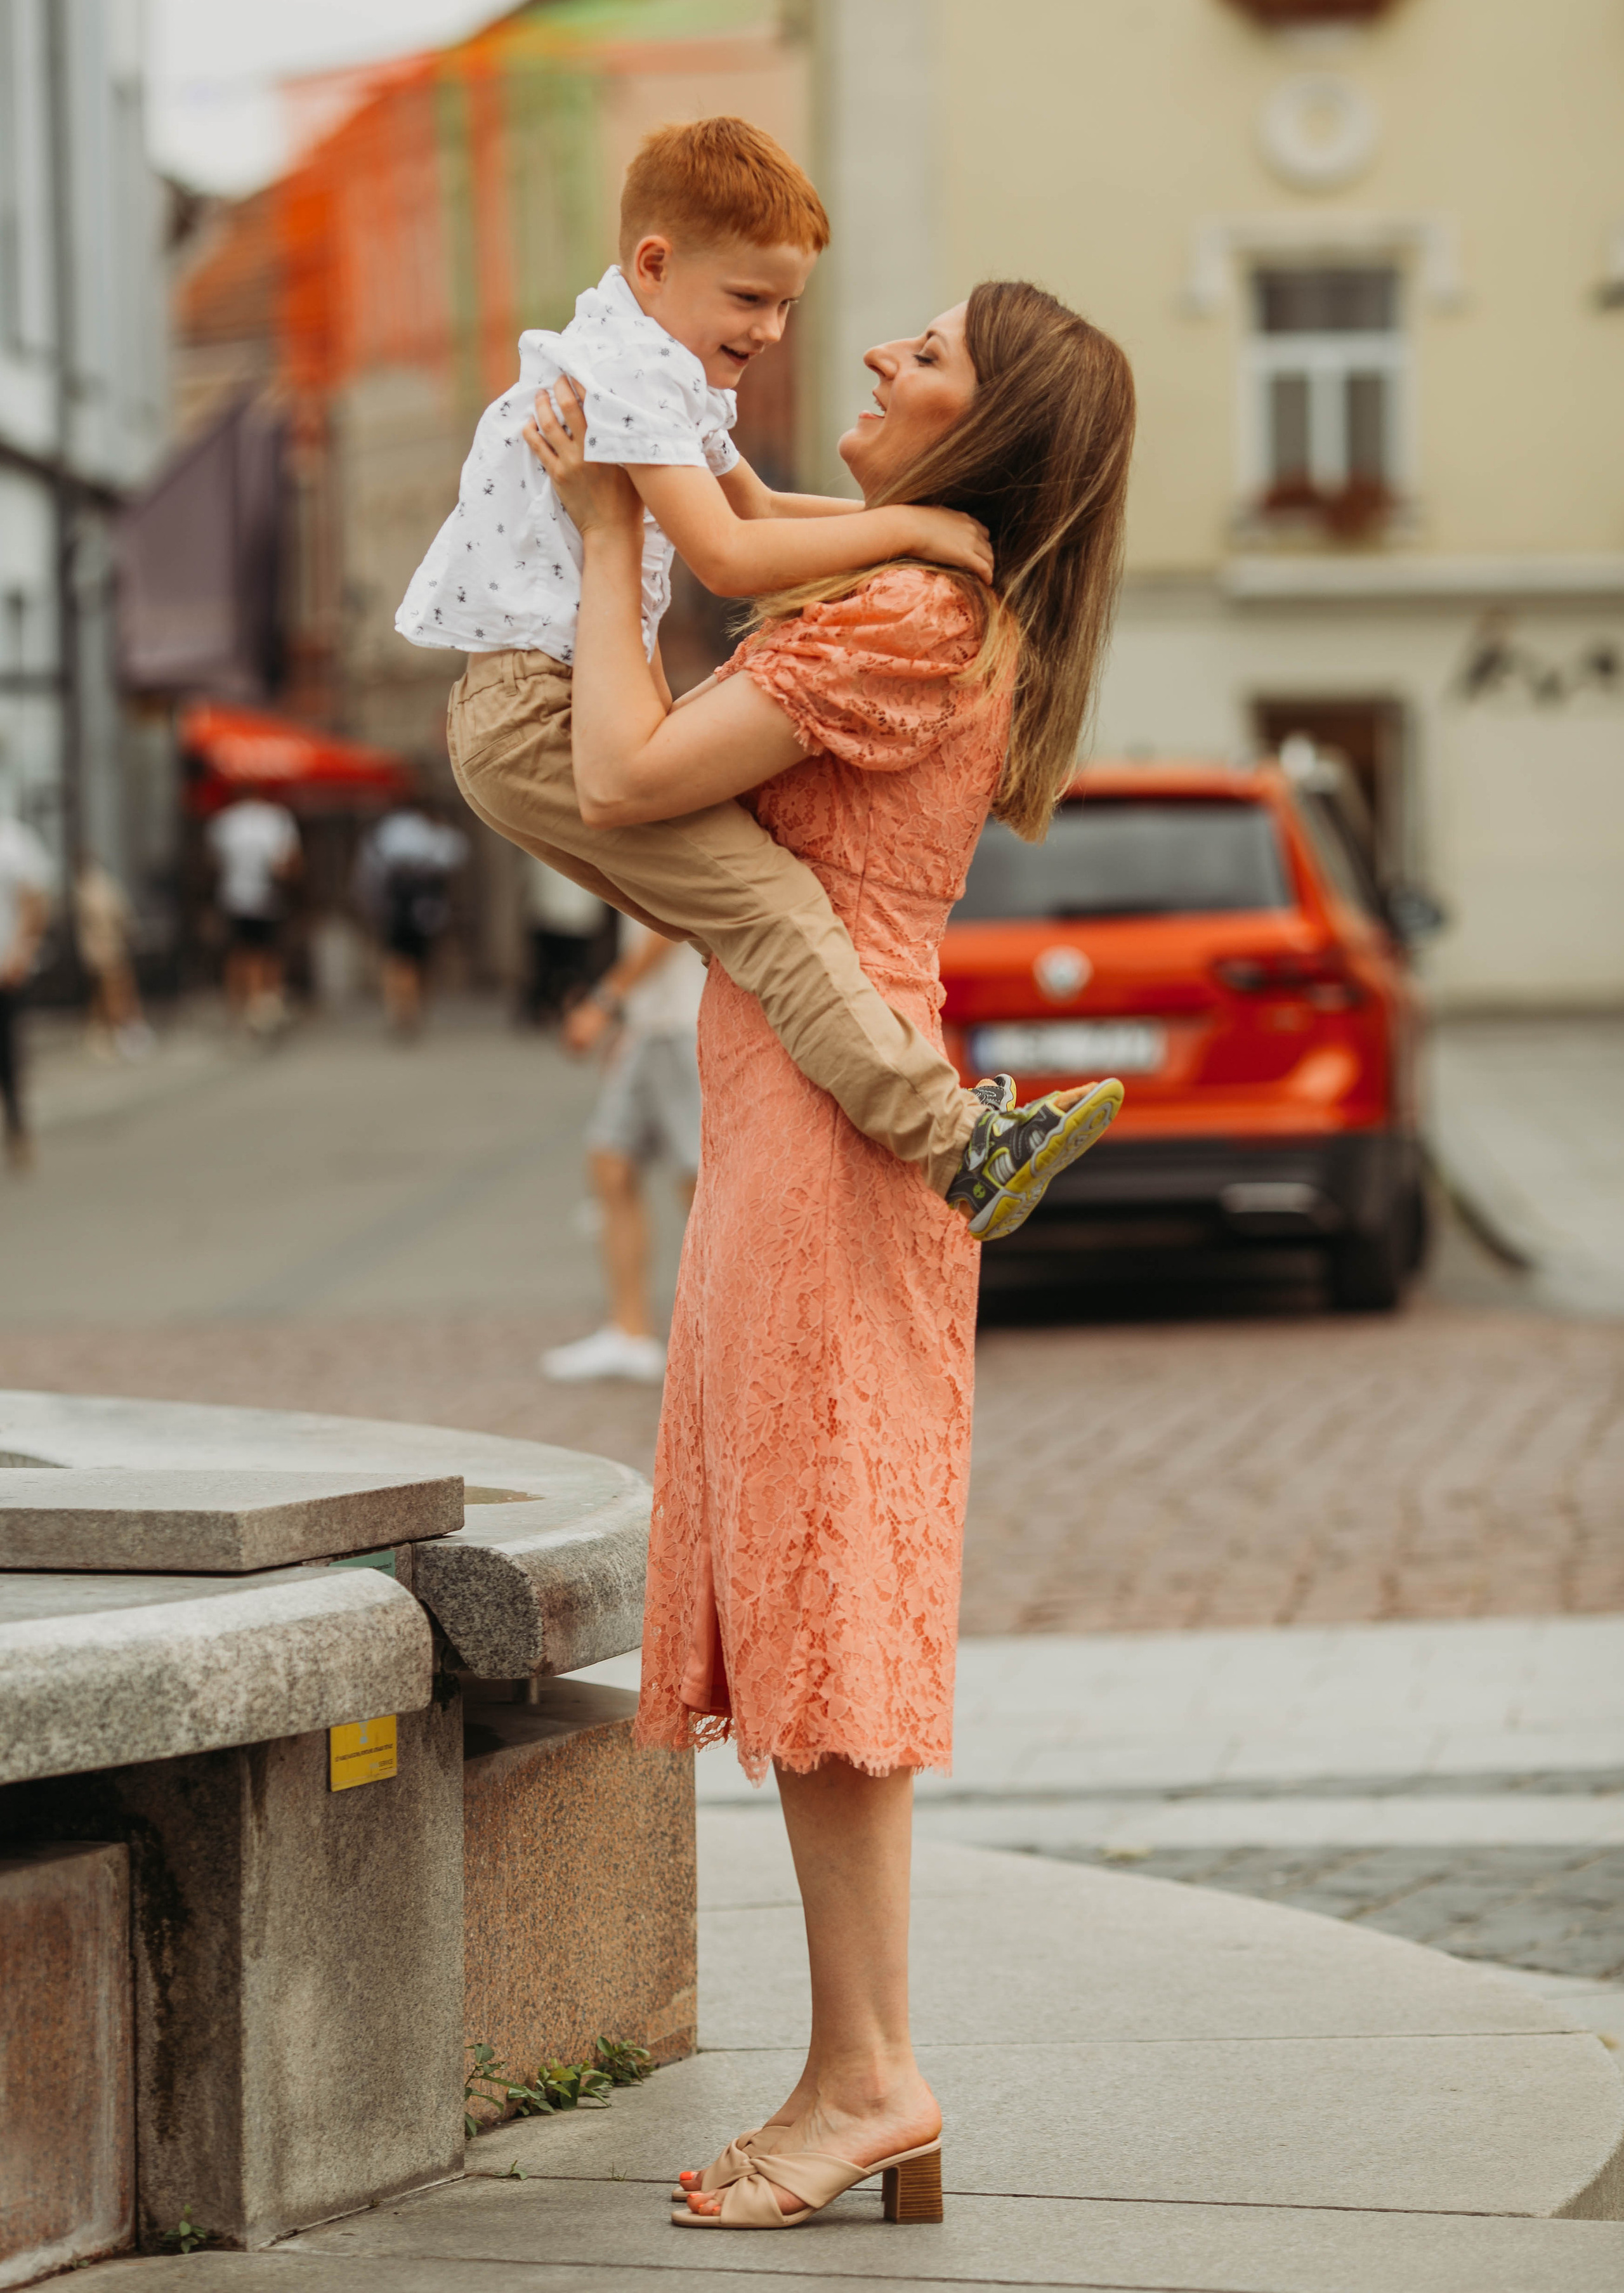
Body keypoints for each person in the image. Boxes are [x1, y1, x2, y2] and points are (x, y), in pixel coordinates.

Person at [525, 277, 1135, 2231]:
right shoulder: (923, 594)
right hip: (792, 1109)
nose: (879, 351)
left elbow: (620, 773)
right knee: (812, 1587)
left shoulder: (916, 611)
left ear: (985, 434)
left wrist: (615, 507)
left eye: (928, 354)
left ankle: (869, 2070)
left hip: (821, 1130)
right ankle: (854, 2063)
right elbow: (751, 548)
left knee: (828, 1589)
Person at [416, 116, 1120, 1244]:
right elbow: (731, 559)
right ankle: (956, 1144)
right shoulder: (633, 378)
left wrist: (911, 531)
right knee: (777, 915)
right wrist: (919, 532)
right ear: (657, 264)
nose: (776, 330)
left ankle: (938, 1129)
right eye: (752, 300)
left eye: (787, 304)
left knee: (750, 928)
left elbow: (756, 508)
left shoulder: (659, 367)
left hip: (524, 708)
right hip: (537, 711)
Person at [542, 918, 704, 1384]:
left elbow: (672, 918)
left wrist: (605, 1002)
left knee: (701, 1187)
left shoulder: (666, 839)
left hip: (685, 1022)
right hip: (653, 1024)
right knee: (610, 1164)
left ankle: (735, 1334)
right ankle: (629, 1332)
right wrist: (631, 1019)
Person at [355, 798, 470, 1037]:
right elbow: (455, 857)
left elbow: (371, 869)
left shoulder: (389, 829)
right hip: (423, 907)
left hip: (398, 905)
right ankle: (411, 1008)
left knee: (398, 960)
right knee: (417, 961)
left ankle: (400, 1009)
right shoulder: (435, 833)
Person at [206, 786, 301, 1035]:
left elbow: (214, 862)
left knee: (239, 953)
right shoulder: (277, 819)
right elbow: (289, 863)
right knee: (268, 952)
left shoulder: (224, 822)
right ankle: (263, 1005)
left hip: (233, 896)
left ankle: (239, 1008)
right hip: (267, 897)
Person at [0, 809, 51, 1173]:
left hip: (6, 970)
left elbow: (35, 900)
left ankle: (18, 1131)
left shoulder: (13, 839)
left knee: (7, 1057)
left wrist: (21, 954)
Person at [74, 856, 152, 1060]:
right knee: (111, 993)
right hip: (108, 947)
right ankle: (115, 1033)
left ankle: (114, 1033)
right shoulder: (103, 886)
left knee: (110, 993)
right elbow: (122, 915)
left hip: (102, 949)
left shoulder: (88, 888)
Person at [521, 856, 613, 1023]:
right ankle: (550, 1007)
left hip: (575, 912)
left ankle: (573, 1010)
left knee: (572, 967)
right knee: (550, 966)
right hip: (552, 910)